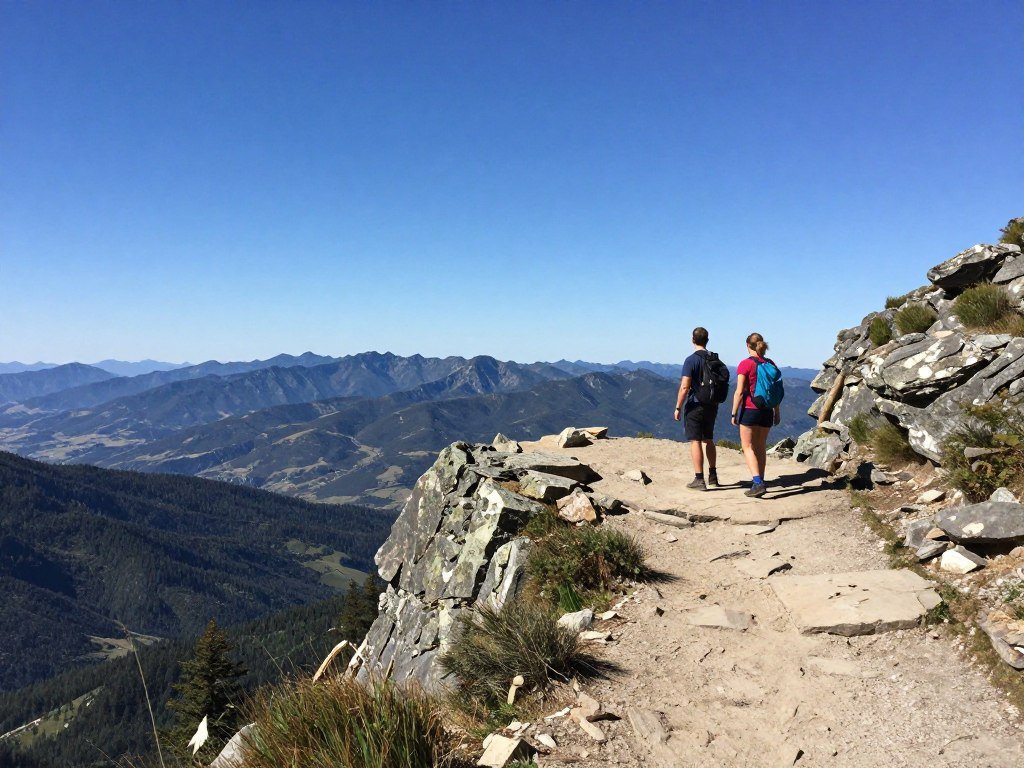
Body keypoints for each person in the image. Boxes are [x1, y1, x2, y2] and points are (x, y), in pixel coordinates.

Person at [731, 332, 781, 498]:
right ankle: (761, 480)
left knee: (747, 446)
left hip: (750, 409)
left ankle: (757, 482)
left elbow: (739, 391)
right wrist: (776, 412)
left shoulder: (745, 364)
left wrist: (734, 413)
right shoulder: (770, 363)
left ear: (748, 345)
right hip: (767, 410)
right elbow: (774, 391)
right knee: (760, 446)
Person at [673, 326, 720, 490]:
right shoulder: (714, 359)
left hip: (696, 404)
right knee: (709, 439)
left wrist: (678, 407)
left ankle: (699, 479)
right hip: (712, 404)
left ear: (693, 340)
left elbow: (685, 386)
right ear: (707, 340)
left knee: (695, 441)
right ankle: (713, 476)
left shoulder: (691, 360)